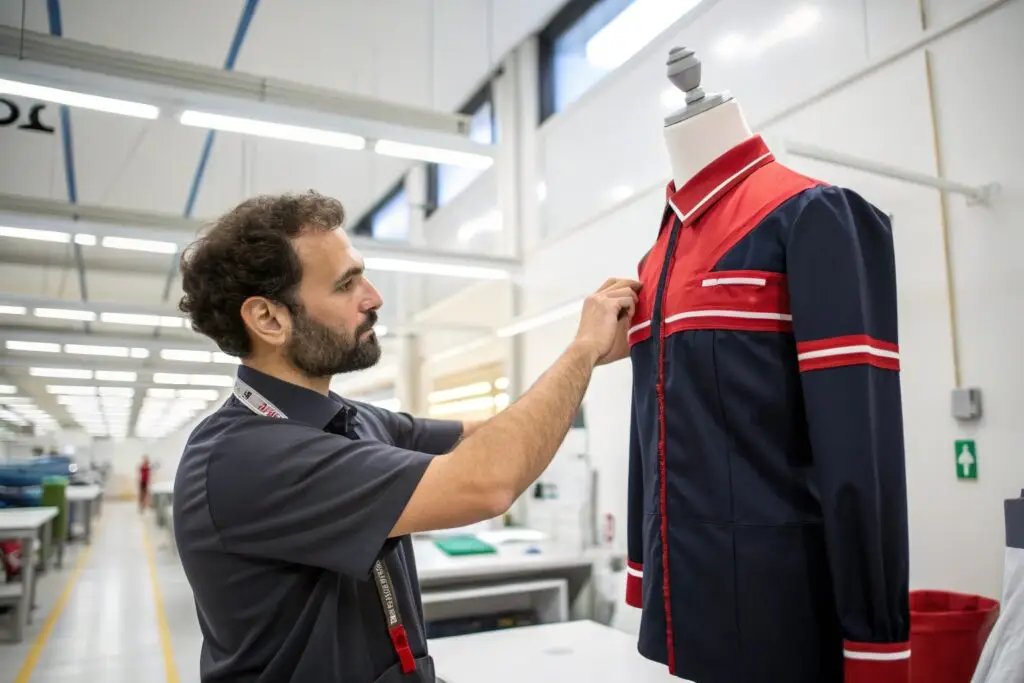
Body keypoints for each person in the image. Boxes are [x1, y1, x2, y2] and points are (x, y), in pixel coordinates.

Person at [173, 190, 639, 683]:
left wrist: (588, 364)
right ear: (269, 319)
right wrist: (582, 350)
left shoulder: (353, 420)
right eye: (346, 284)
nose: (373, 298)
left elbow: (488, 438)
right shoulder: (243, 458)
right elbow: (489, 482)